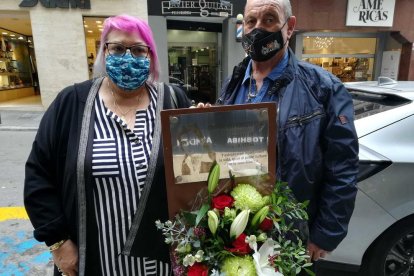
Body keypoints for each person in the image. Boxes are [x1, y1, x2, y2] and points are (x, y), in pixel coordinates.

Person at [24, 14, 191, 276]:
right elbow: (38, 174)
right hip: (95, 261)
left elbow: (196, 168)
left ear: (150, 56)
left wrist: (206, 126)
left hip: (161, 262)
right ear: (104, 51)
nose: (127, 57)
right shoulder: (71, 103)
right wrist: (57, 242)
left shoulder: (173, 99)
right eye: (117, 48)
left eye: (137, 49)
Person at [216, 0, 359, 266]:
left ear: (289, 27)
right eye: (251, 21)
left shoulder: (324, 88)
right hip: (237, 230)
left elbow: (343, 169)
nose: (258, 29)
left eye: (269, 19)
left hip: (292, 236)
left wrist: (324, 236)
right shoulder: (232, 85)